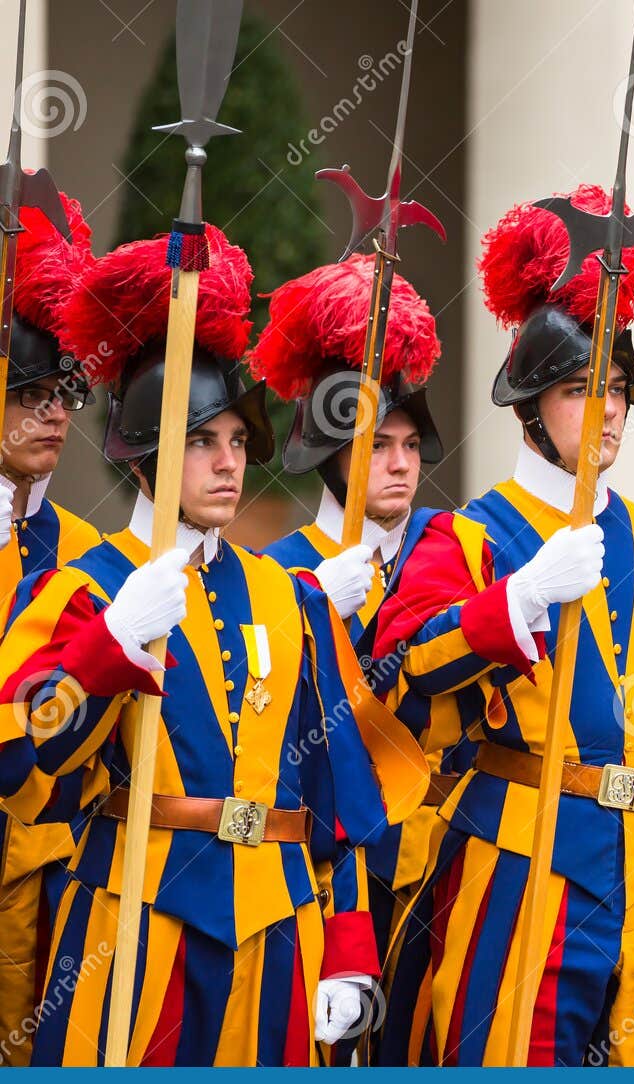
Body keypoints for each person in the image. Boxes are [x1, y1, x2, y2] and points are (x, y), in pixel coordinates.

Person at [372, 186, 634, 1066]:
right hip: (520, 856)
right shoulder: (470, 535)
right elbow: (405, 669)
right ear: (529, 403)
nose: (606, 410)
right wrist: (515, 601)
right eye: (579, 387)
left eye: (618, 388)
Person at [0, 226, 427, 1065]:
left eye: (237, 441)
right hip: (136, 920)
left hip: (276, 925)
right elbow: (22, 750)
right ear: (147, 448)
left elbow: (336, 789)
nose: (229, 464)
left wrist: (347, 941)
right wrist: (110, 642)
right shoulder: (82, 587)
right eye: (202, 442)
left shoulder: (287, 594)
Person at [255, 257, 468, 971]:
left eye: (410, 445)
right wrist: (312, 601)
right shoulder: (278, 570)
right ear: (331, 449)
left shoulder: (456, 545)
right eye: (378, 445)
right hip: (320, 863)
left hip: (437, 856)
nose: (402, 463)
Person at [0, 191, 99, 1067]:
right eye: (31, 394)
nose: (55, 413)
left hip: (48, 868)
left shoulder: (87, 552)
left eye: (65, 393)